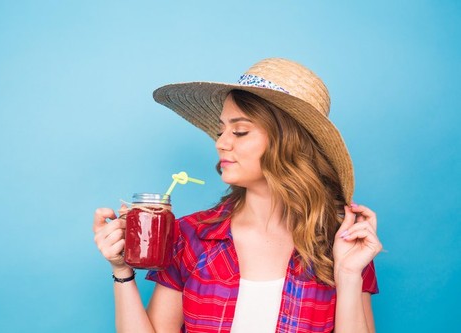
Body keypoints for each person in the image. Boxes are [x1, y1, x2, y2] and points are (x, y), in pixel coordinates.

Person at [93, 58, 382, 333]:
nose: (221, 143)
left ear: (290, 143)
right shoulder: (190, 236)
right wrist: (122, 271)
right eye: (221, 131)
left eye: (240, 131)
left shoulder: (342, 243)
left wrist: (347, 274)